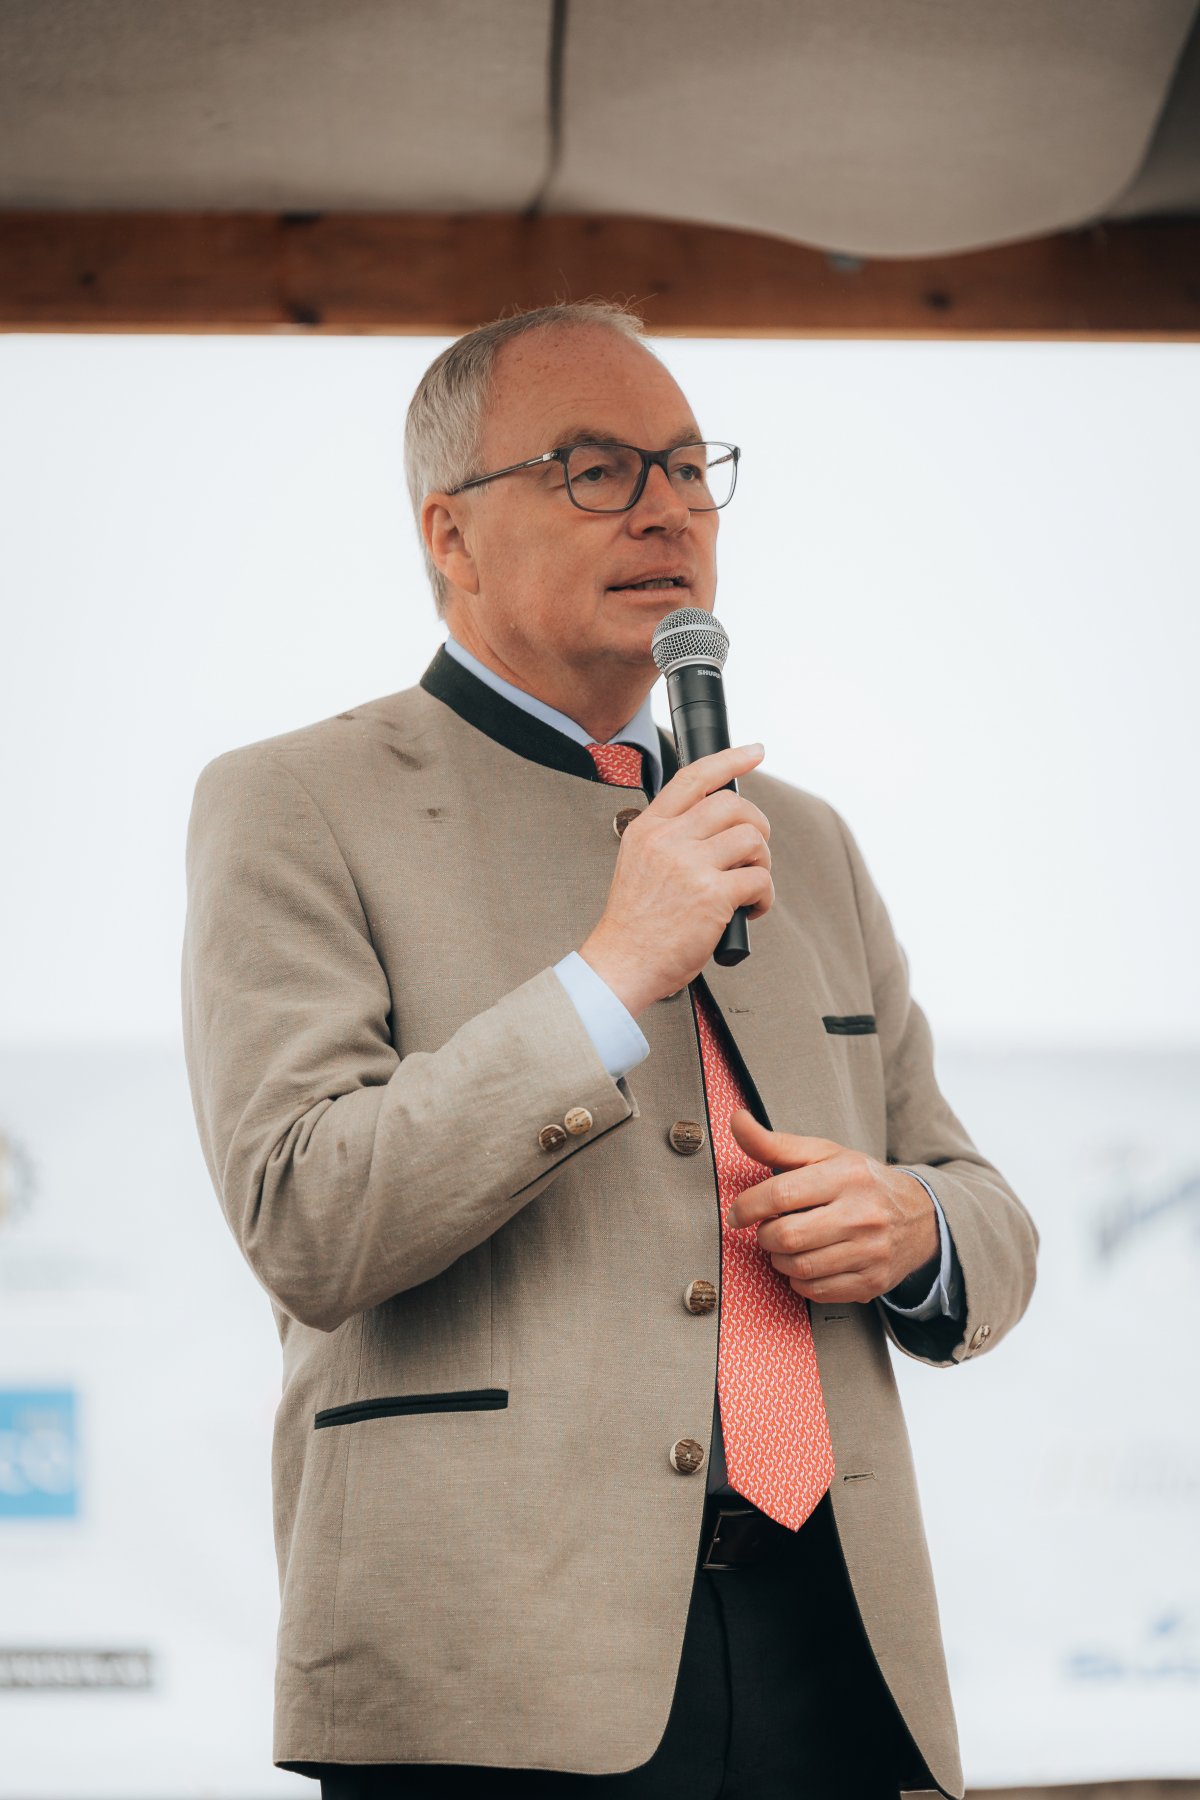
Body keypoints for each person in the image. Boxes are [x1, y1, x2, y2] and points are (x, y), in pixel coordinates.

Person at [181, 300, 1038, 1800]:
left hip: (834, 1639)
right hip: (490, 1661)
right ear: (448, 534)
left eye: (690, 466)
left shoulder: (807, 840)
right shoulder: (297, 802)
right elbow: (304, 1215)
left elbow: (979, 1199)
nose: (667, 509)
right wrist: (610, 973)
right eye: (595, 469)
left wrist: (916, 1229)